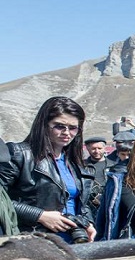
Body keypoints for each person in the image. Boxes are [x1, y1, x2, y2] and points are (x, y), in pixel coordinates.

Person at [0, 96, 96, 242]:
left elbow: (80, 202)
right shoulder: (19, 154)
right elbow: (2, 200)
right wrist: (40, 215)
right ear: (44, 125)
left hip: (73, 242)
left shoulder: (75, 162)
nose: (66, 132)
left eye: (73, 128)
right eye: (59, 126)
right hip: (31, 240)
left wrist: (87, 222)